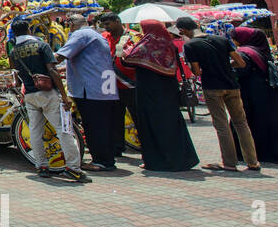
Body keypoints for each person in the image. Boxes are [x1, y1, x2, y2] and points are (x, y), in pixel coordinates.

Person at [8, 18, 87, 181]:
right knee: (63, 130)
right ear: (29, 30)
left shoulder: (13, 52)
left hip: (29, 95)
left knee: (35, 132)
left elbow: (15, 76)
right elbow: (53, 70)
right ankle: (73, 168)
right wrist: (64, 96)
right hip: (48, 93)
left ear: (14, 33)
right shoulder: (41, 45)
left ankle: (41, 166)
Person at [176, 16, 259, 172]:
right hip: (232, 85)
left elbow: (196, 71)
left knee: (221, 125)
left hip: (212, 87)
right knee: (241, 123)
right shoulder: (222, 39)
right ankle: (252, 162)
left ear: (182, 30)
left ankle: (229, 163)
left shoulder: (190, 45)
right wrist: (225, 66)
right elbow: (241, 62)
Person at [120, 21, 199, 171]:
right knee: (172, 123)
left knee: (152, 125)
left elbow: (129, 60)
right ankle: (182, 158)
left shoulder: (146, 45)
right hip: (169, 90)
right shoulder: (169, 44)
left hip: (149, 92)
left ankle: (157, 160)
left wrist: (126, 49)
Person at [56, 14, 122, 171]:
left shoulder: (80, 34)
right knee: (105, 124)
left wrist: (40, 60)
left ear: (71, 24)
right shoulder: (95, 34)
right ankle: (107, 159)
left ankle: (100, 161)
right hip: (104, 86)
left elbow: (60, 56)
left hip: (91, 88)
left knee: (94, 125)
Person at [231, 26, 278, 166]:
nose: (233, 40)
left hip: (253, 96)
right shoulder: (260, 50)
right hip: (270, 95)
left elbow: (240, 73)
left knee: (250, 124)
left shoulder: (245, 53)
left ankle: (252, 154)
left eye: (235, 37)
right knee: (274, 126)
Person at [99, 13, 136, 159]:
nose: (107, 27)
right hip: (109, 83)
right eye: (104, 25)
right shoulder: (103, 37)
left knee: (136, 115)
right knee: (114, 117)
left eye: (108, 24)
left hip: (130, 82)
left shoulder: (132, 36)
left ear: (117, 21)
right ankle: (117, 147)